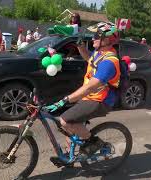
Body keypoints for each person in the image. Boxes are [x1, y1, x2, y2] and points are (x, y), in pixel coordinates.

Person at [45, 22, 121, 159]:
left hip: (100, 100)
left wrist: (66, 99)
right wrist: (80, 45)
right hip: (90, 97)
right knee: (69, 125)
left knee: (65, 120)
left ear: (108, 39)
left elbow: (90, 87)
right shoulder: (99, 53)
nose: (92, 38)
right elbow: (89, 58)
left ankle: (95, 143)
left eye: (97, 36)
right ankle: (70, 157)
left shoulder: (110, 62)